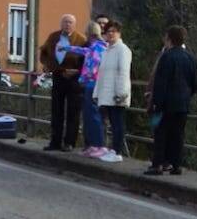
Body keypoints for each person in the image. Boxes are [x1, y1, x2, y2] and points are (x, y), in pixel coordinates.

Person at [146, 26, 197, 176]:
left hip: (165, 104)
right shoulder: (190, 58)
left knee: (161, 134)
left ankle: (158, 164)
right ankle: (176, 165)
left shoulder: (166, 57)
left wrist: (156, 101)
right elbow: (195, 82)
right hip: (183, 103)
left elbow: (161, 82)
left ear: (169, 39)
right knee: (178, 135)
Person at [40, 14, 87, 151]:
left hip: (74, 79)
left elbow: (86, 60)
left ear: (74, 24)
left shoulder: (80, 39)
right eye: (65, 22)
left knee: (73, 112)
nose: (68, 25)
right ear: (61, 24)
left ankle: (69, 142)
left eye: (70, 22)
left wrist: (77, 70)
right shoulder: (53, 37)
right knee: (56, 110)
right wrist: (47, 64)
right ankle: (55, 141)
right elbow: (43, 52)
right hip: (58, 75)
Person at [65, 22, 108, 157]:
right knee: (89, 115)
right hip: (91, 83)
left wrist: (84, 78)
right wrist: (67, 48)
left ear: (89, 34)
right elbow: (82, 50)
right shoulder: (96, 46)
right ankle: (94, 144)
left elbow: (93, 64)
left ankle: (98, 144)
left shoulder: (97, 47)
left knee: (93, 115)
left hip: (92, 83)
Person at [93, 20, 132, 163]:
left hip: (117, 95)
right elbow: (101, 74)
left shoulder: (122, 50)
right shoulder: (107, 51)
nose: (110, 34)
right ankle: (112, 149)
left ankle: (117, 151)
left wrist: (121, 93)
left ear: (119, 33)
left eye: (113, 31)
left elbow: (123, 72)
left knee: (118, 123)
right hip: (107, 94)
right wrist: (97, 93)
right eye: (108, 31)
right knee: (113, 123)